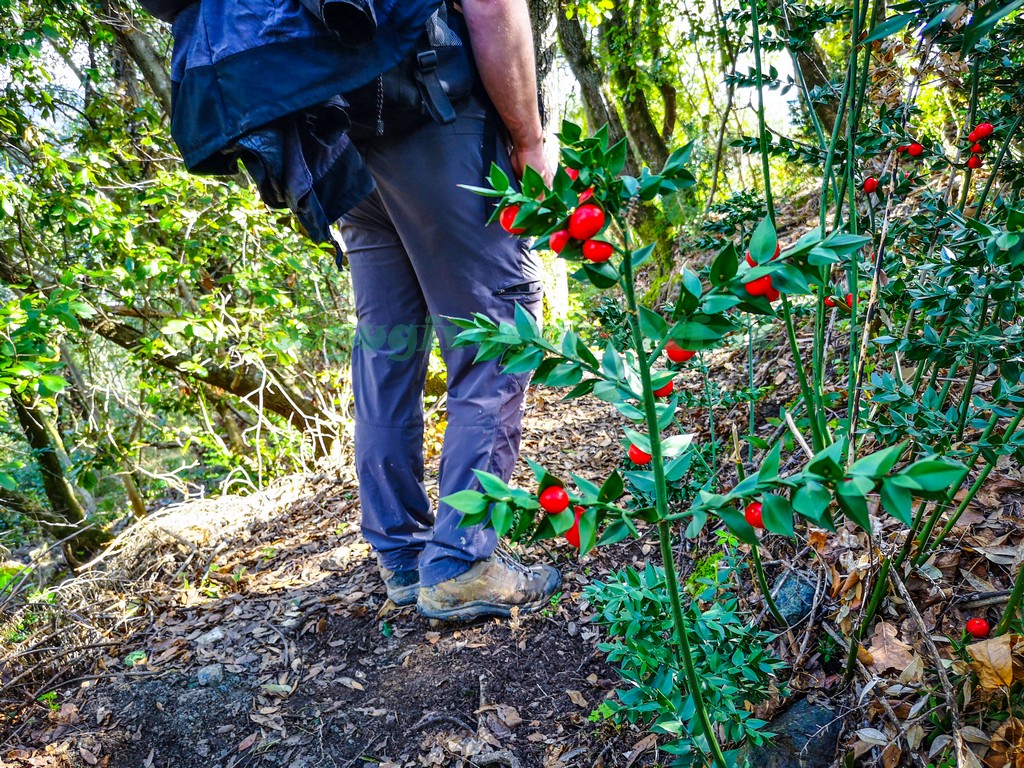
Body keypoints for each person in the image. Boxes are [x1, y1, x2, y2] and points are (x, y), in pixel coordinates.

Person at [340, 0, 562, 621]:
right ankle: (459, 561)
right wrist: (529, 139)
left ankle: (402, 556)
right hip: (435, 123)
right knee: (499, 336)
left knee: (390, 350)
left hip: (346, 148)